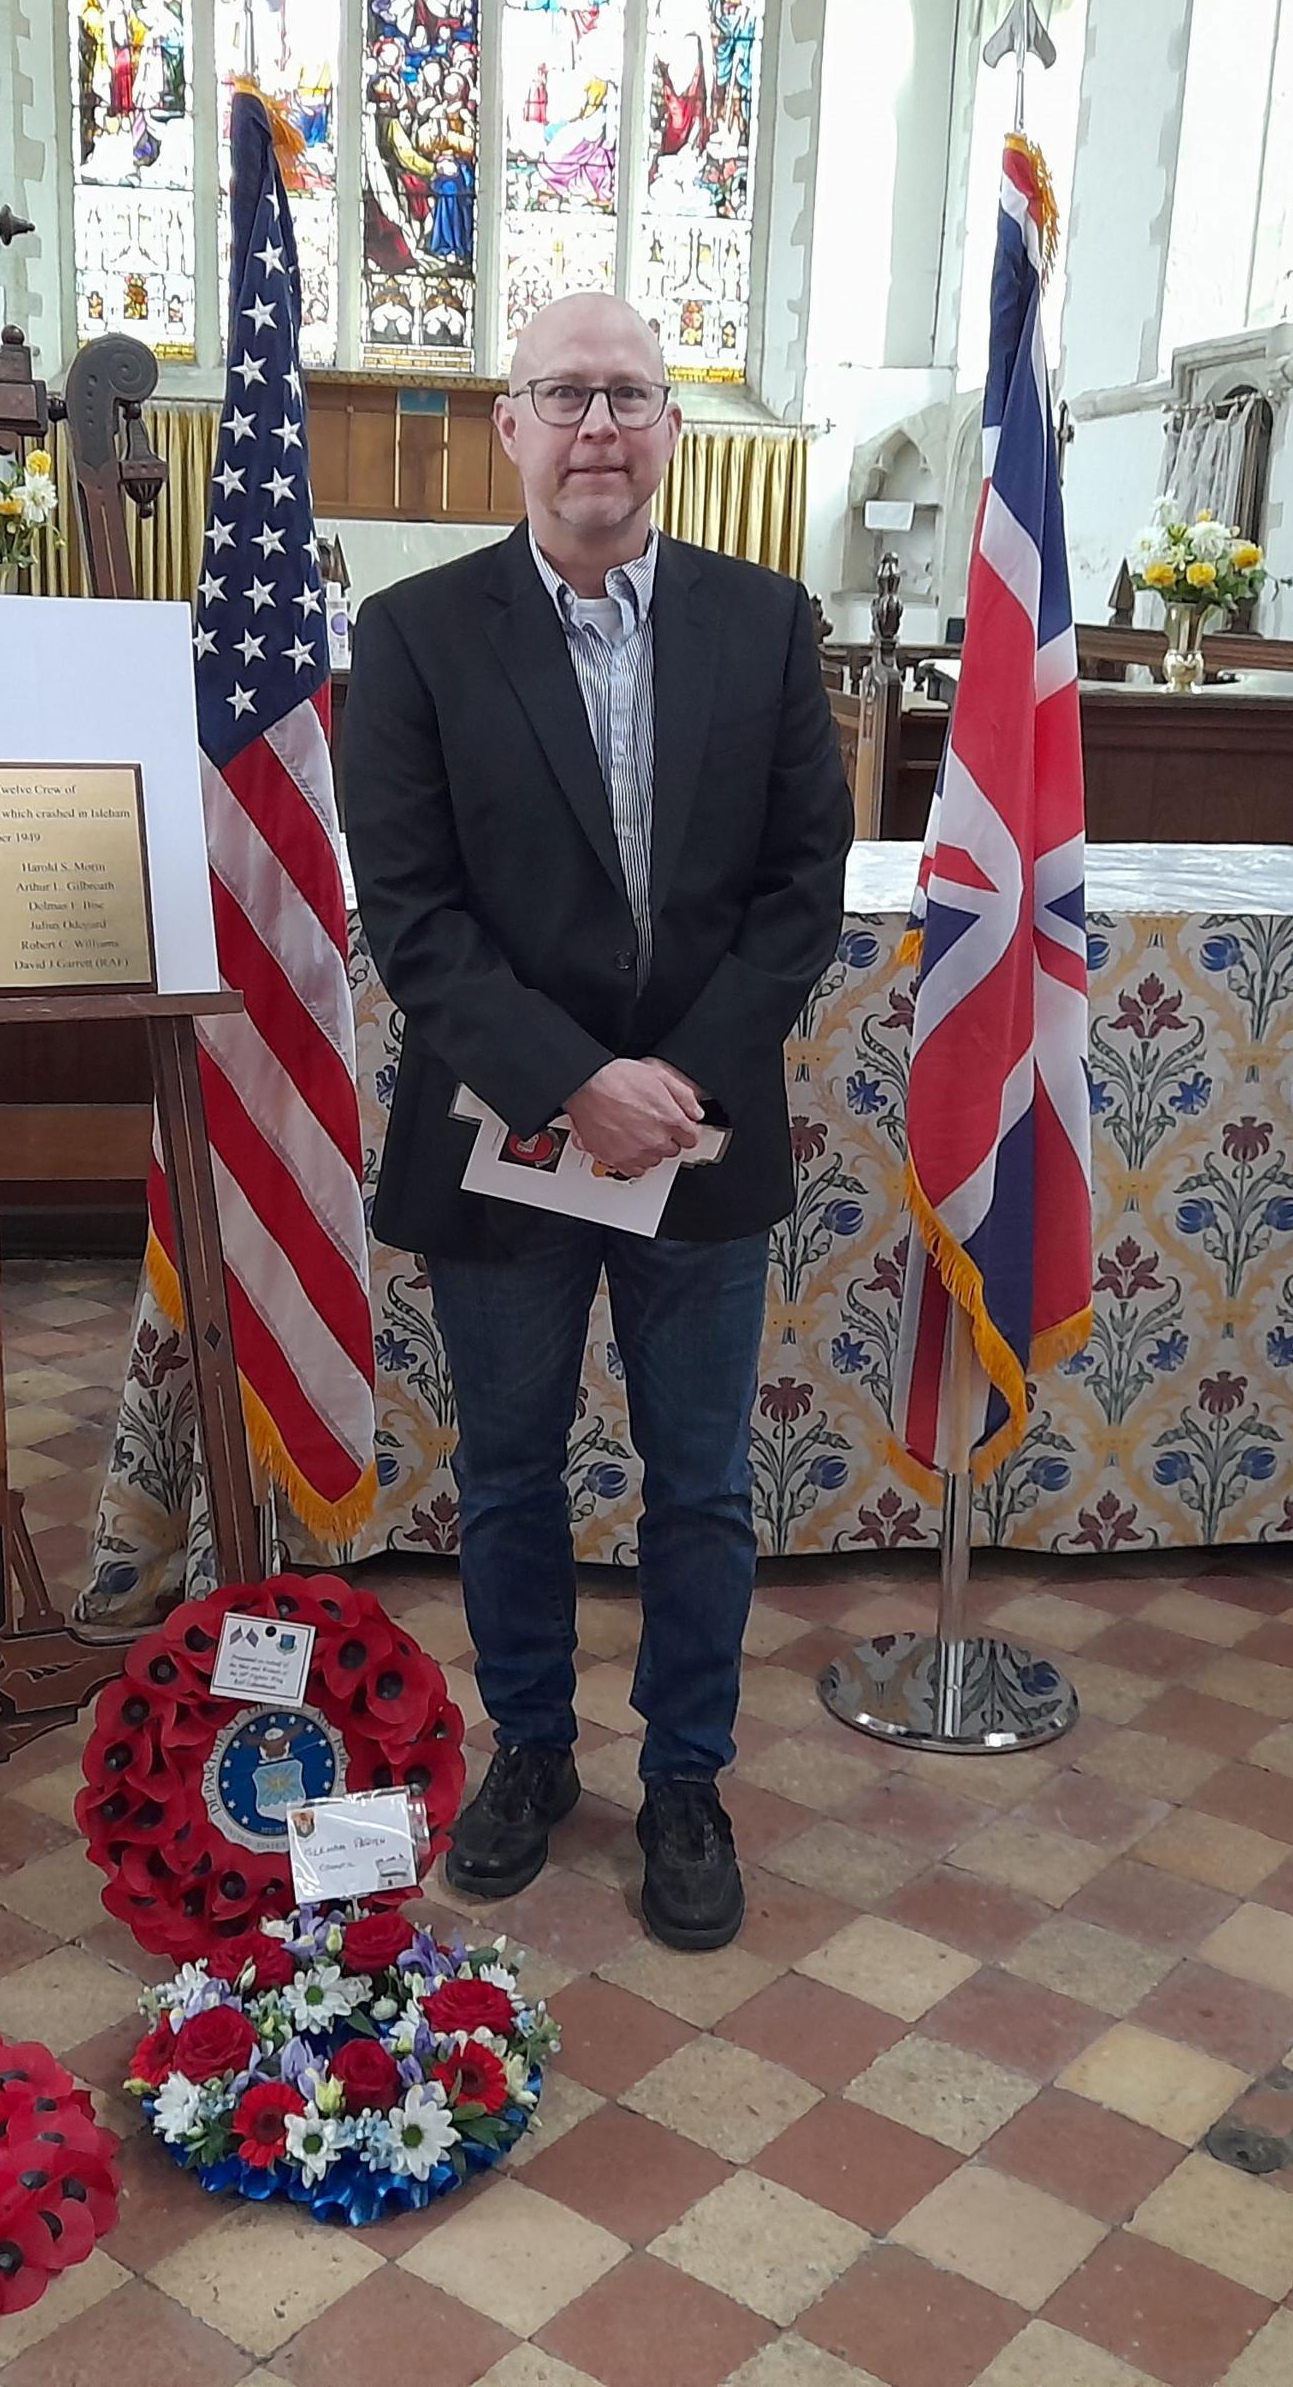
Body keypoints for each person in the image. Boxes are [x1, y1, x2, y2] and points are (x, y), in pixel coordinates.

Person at [342, 292, 851, 1950]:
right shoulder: (416, 637)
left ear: (673, 432)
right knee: (508, 1472)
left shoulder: (768, 627)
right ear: (510, 426)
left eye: (631, 396)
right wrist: (576, 1083)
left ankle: (687, 1776)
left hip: (697, 1143)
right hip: (505, 1135)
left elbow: (799, 890)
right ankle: (535, 1751)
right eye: (566, 395)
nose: (600, 430)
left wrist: (672, 1088)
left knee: (699, 1482)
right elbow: (413, 918)